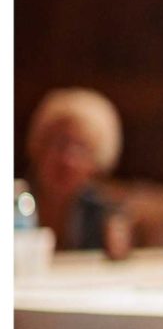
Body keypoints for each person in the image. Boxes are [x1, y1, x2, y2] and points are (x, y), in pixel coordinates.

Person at [24, 88, 126, 253]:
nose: (67, 160)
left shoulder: (102, 216)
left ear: (97, 162)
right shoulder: (15, 203)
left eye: (81, 149)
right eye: (59, 143)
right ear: (38, 145)